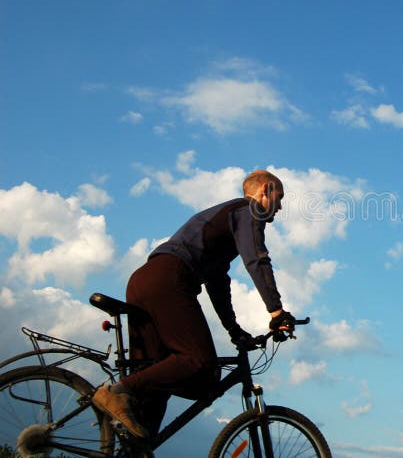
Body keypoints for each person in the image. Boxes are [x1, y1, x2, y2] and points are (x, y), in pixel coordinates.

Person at [92, 169, 293, 439]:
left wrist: (234, 330)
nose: (279, 207)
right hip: (169, 279)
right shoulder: (248, 210)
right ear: (265, 189)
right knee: (200, 362)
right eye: (279, 198)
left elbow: (218, 284)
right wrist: (276, 311)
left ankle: (134, 445)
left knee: (154, 382)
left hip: (145, 280)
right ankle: (115, 393)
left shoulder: (223, 228)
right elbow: (257, 259)